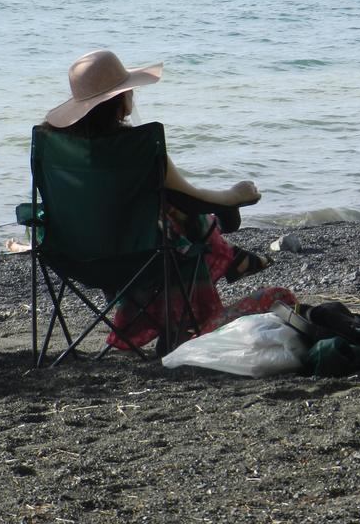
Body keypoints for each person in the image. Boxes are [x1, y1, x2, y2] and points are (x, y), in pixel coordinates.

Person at [42, 49, 294, 352]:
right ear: (120, 101)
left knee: (168, 214)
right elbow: (192, 198)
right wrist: (236, 196)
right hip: (142, 258)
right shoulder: (137, 146)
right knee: (181, 219)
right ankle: (226, 262)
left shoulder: (56, 150)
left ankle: (230, 261)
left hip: (73, 258)